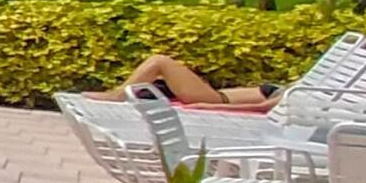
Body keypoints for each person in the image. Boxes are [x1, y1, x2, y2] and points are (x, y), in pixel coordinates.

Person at [104, 54, 268, 109]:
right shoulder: (284, 91)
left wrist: (211, 107)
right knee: (160, 79)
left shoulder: (282, 97)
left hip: (216, 100)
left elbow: (263, 107)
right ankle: (118, 94)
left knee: (160, 62)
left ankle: (117, 96)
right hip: (216, 95)